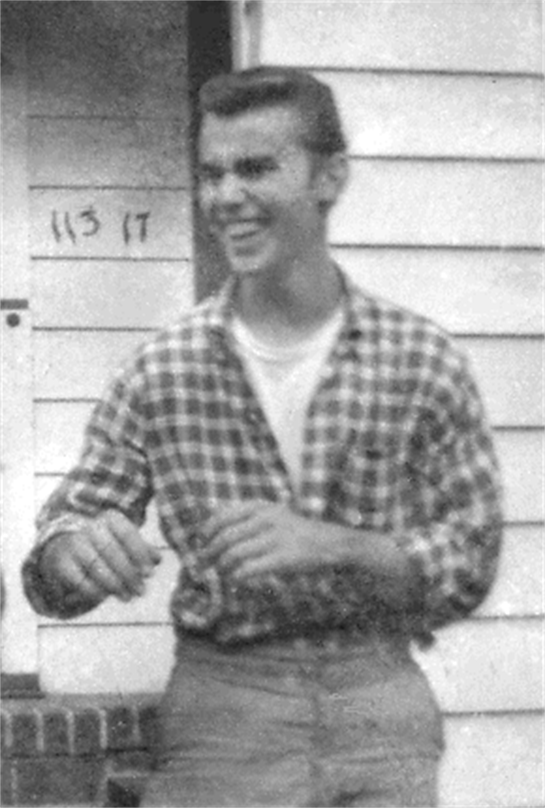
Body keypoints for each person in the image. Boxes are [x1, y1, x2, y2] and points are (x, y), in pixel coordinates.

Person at [23, 67, 502, 807]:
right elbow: (57, 553)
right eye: (211, 174)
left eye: (254, 168)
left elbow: (471, 557)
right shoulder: (163, 368)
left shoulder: (421, 359)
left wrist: (337, 546)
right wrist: (74, 553)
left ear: (329, 176)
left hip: (377, 706)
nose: (225, 196)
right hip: (224, 713)